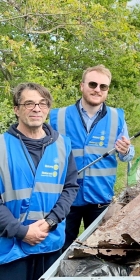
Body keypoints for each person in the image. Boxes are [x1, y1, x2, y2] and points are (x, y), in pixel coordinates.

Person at [49, 64, 135, 251]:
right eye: (93, 84)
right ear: (82, 86)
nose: (97, 90)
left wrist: (126, 151)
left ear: (107, 90)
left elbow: (128, 157)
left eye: (103, 86)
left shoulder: (116, 117)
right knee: (60, 250)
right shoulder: (58, 116)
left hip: (100, 198)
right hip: (65, 198)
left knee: (98, 251)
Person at [0, 83, 79, 280]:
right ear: (16, 109)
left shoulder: (62, 145)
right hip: (10, 249)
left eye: (42, 104)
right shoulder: (1, 146)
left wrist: (51, 221)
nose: (37, 108)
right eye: (29, 103)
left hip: (49, 243)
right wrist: (22, 231)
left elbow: (70, 187)